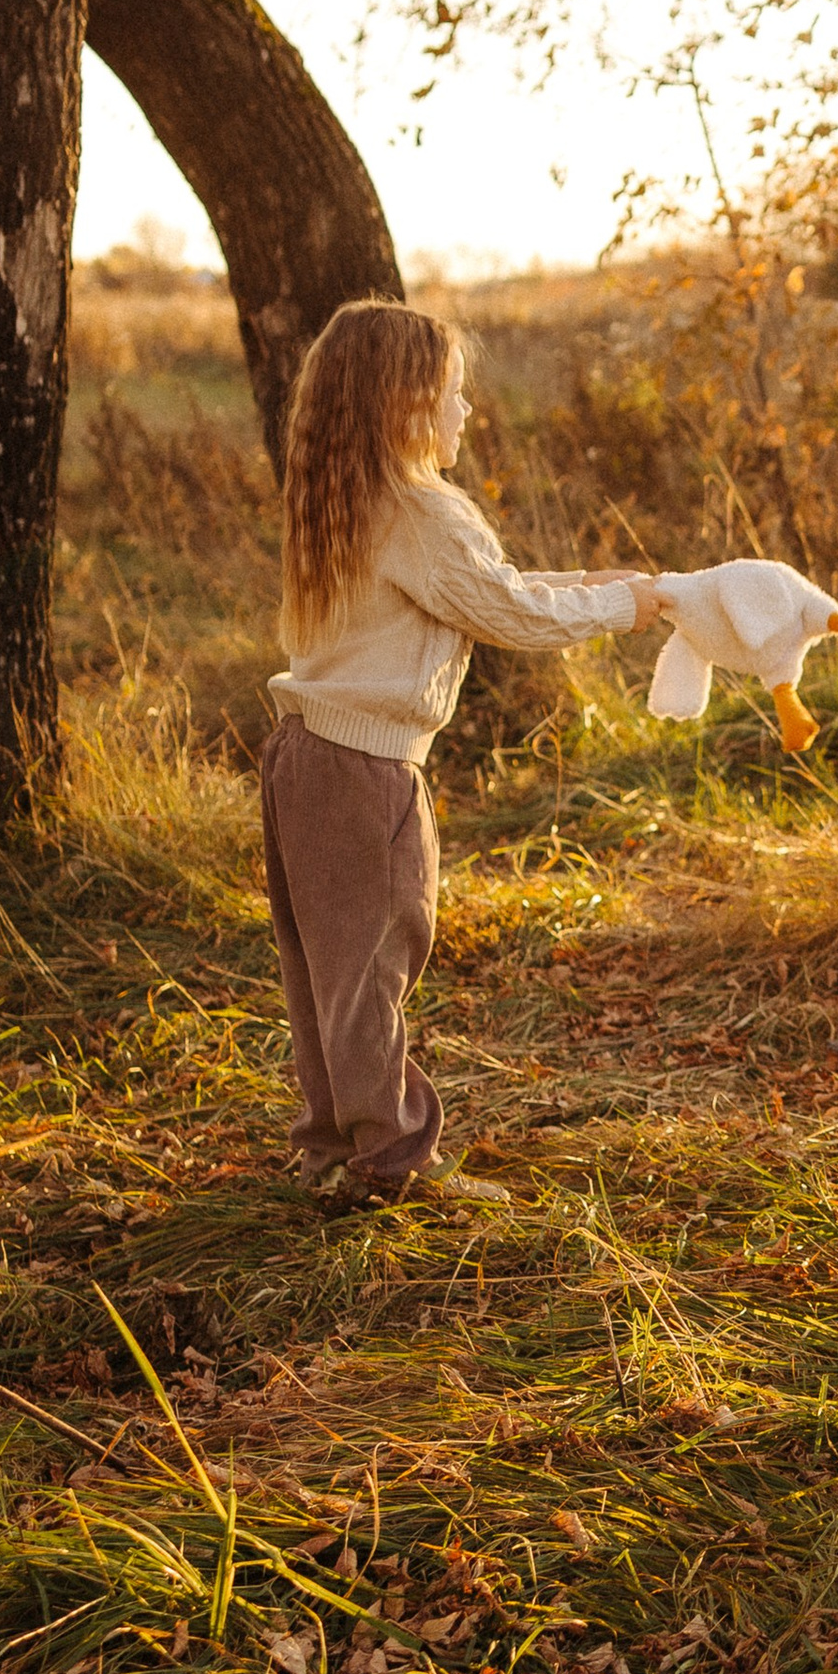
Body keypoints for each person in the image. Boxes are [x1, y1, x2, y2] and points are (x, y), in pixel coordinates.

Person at [264, 299, 669, 1209]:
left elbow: (486, 590)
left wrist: (590, 583)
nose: (466, 411)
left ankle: (333, 1148)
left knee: (325, 971)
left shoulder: (346, 497)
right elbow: (507, 612)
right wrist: (616, 608)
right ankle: (392, 1159)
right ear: (406, 404)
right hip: (365, 772)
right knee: (375, 963)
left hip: (302, 761)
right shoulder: (424, 512)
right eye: (453, 393)